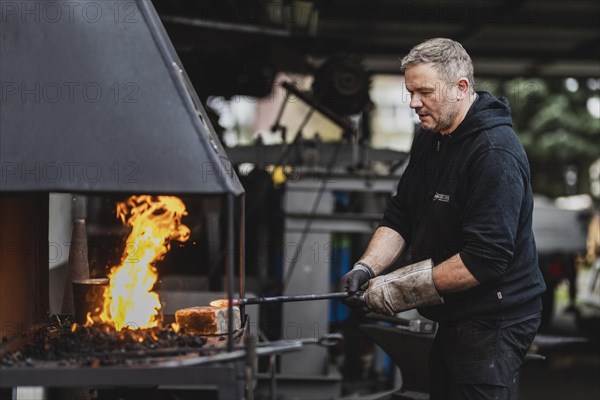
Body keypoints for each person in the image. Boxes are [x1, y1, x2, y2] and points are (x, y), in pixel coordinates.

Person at [340, 38, 546, 400]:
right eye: (410, 92)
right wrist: (367, 267)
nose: (414, 103)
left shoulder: (494, 153)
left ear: (460, 88)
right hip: (453, 314)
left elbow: (484, 260)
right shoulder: (430, 136)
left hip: (495, 319)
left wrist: (396, 290)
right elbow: (401, 213)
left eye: (424, 92)